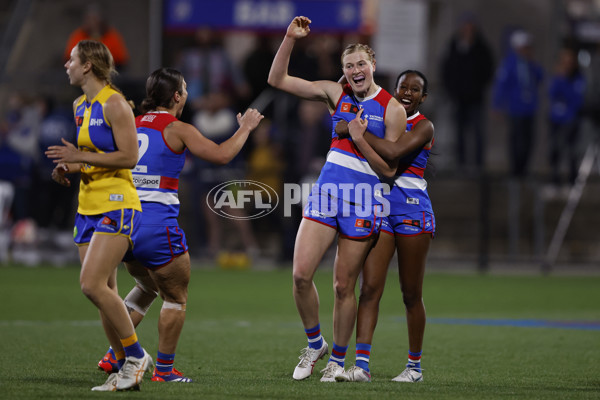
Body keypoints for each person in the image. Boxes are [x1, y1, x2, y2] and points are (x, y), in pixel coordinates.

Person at [95, 68, 264, 383]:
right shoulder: (177, 128)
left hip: (124, 221)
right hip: (156, 223)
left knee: (147, 286)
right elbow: (223, 155)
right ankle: (164, 370)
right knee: (175, 297)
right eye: (184, 89)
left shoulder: (131, 123)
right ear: (176, 96)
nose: (186, 93)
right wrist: (246, 128)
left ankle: (115, 354)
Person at [268, 16, 406, 382]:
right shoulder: (335, 93)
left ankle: (337, 362)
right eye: (349, 65)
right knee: (300, 275)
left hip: (363, 197)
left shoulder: (393, 108)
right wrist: (289, 39)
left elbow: (390, 169)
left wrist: (360, 138)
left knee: (344, 286)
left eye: (361, 63)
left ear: (373, 65)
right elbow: (277, 80)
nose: (356, 70)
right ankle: (316, 344)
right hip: (327, 192)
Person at [45, 40, 151, 391]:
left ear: (88, 65)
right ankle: (124, 367)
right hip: (87, 206)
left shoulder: (115, 103)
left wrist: (81, 156)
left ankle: (135, 356)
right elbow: (91, 155)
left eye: (72, 59)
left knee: (90, 285)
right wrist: (70, 166)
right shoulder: (80, 105)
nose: (67, 65)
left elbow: (129, 156)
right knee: (104, 292)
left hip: (117, 203)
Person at [333, 70, 435, 383]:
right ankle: (361, 367)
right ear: (393, 88)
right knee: (370, 288)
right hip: (380, 207)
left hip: (412, 211)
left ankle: (414, 368)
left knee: (410, 293)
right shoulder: (377, 115)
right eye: (403, 86)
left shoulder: (423, 125)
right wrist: (352, 119)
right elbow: (337, 122)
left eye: (415, 89)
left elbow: (391, 154)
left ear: (422, 97)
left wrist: (357, 132)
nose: (407, 92)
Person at [440, 12, 494, 170]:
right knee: (459, 132)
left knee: (478, 132)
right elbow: (446, 69)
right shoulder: (454, 46)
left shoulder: (482, 48)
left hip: (475, 97)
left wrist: (479, 86)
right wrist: (451, 89)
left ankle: (478, 165)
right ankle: (461, 163)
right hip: (458, 97)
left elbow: (488, 69)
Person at [491, 29, 543, 177]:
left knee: (529, 139)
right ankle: (516, 169)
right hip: (516, 108)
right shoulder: (509, 64)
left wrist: (533, 63)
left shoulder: (531, 64)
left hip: (530, 107)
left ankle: (525, 168)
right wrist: (497, 105)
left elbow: (540, 77)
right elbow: (501, 85)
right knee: (517, 139)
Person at [547, 46, 586, 186]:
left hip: (571, 119)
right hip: (556, 119)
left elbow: (576, 99)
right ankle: (555, 176)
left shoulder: (579, 78)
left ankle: (572, 177)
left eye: (570, 61)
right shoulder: (558, 77)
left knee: (571, 150)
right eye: (565, 61)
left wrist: (565, 89)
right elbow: (552, 94)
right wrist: (561, 79)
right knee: (555, 148)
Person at [64, 4, 129, 68]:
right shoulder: (78, 35)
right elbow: (69, 56)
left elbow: (121, 58)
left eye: (95, 19)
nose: (92, 22)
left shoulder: (111, 36)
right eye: (89, 19)